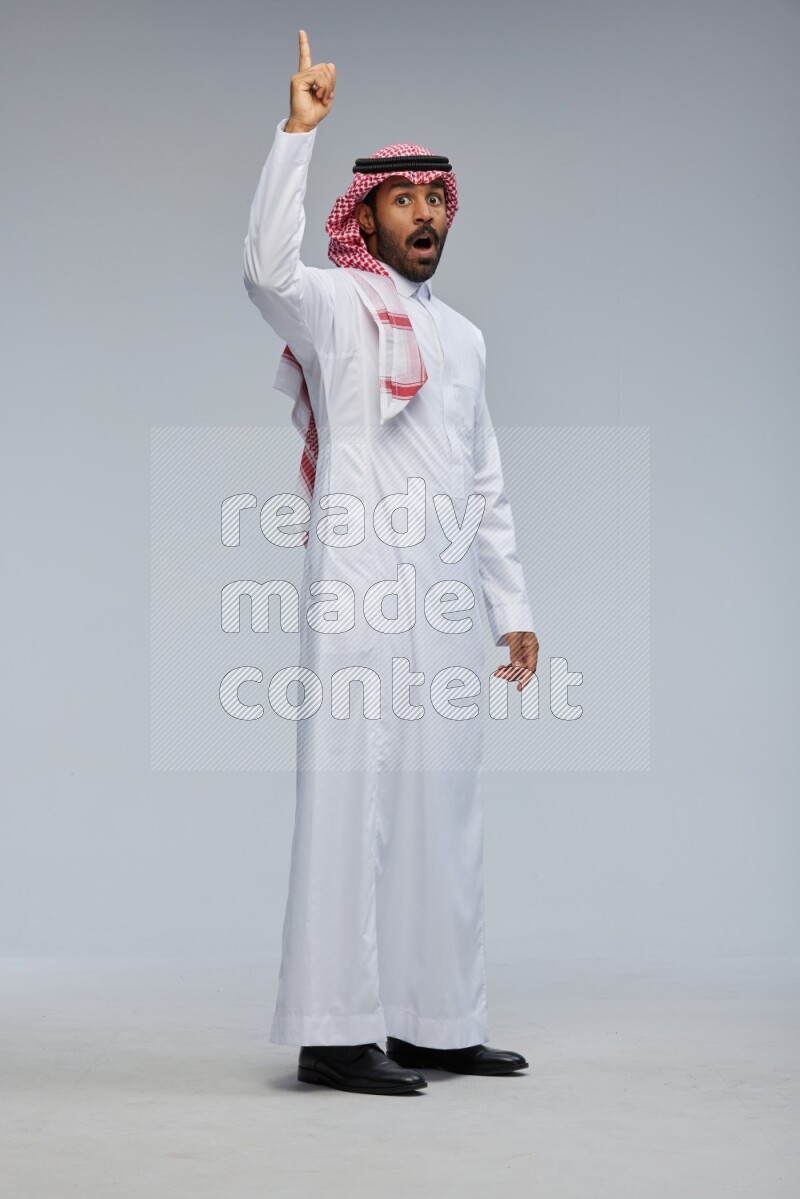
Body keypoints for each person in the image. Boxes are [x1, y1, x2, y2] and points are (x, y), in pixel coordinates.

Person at [242, 29, 539, 1096]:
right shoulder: (331, 304)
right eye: (400, 198)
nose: (421, 213)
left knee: (439, 807)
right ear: (364, 216)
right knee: (349, 798)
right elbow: (263, 269)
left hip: (445, 601)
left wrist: (511, 605)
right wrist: (296, 134)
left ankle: (435, 1020)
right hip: (360, 588)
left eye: (434, 199)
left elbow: (483, 475)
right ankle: (333, 1030)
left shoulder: (464, 339)